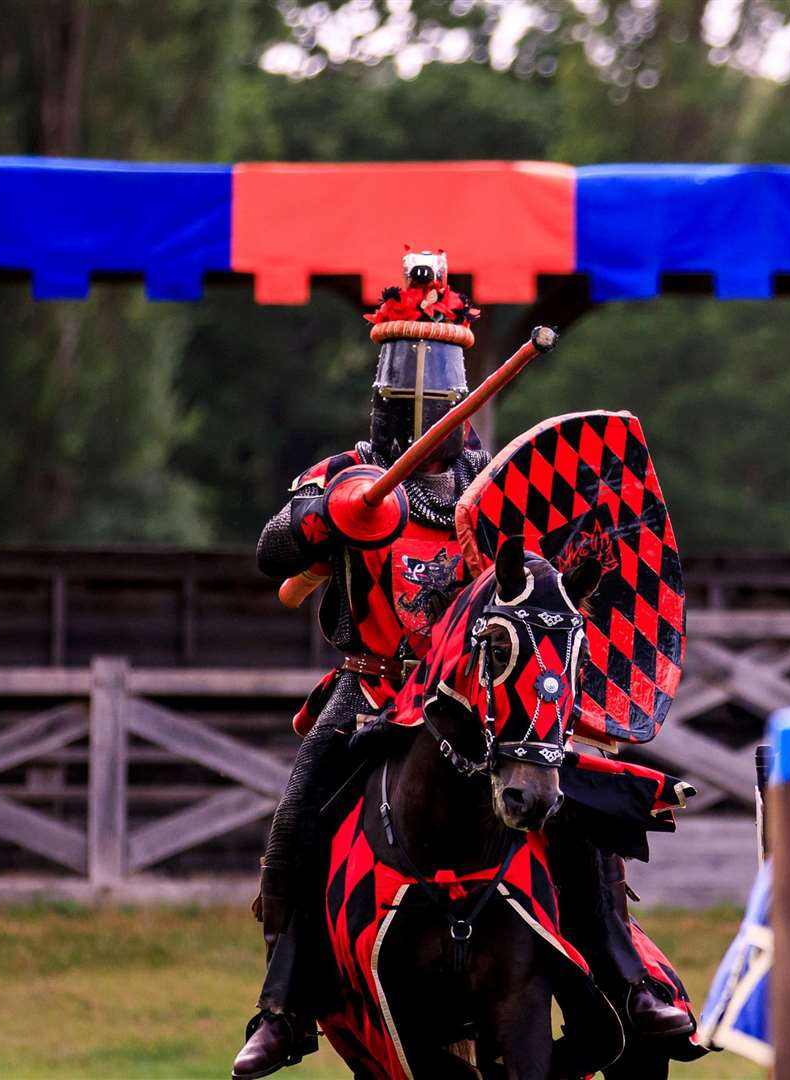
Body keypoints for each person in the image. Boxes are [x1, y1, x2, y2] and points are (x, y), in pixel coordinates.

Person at [232, 253, 688, 1079]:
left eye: (440, 370)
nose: (425, 390)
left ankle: (627, 986)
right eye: (408, 368)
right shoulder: (343, 475)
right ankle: (285, 1007)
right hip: (373, 689)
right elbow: (272, 551)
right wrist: (328, 516)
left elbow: (543, 595)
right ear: (381, 381)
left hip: (481, 698)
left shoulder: (495, 487)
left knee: (576, 813)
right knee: (297, 821)